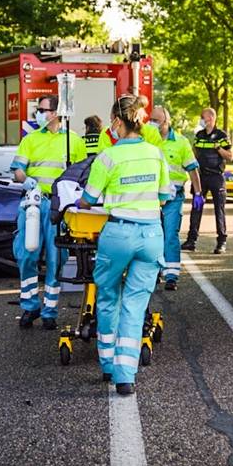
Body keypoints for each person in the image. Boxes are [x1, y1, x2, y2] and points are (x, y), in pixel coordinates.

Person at [78, 95, 174, 396]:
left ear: (117, 122)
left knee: (107, 296)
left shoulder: (108, 157)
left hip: (118, 234)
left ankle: (107, 364)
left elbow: (88, 199)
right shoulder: (156, 154)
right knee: (135, 305)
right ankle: (125, 376)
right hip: (150, 237)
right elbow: (163, 196)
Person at [11, 95, 86, 330]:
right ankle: (29, 306)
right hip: (34, 202)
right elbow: (18, 171)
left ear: (56, 113)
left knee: (57, 258)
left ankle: (50, 310)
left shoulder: (73, 141)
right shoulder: (30, 139)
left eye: (43, 110)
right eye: (39, 110)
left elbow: (81, 175)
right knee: (26, 254)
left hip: (59, 206)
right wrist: (26, 181)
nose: (39, 114)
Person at [148, 105, 203, 290]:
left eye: (156, 120)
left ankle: (171, 275)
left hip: (173, 197)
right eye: (151, 119)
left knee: (170, 235)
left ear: (166, 121)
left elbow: (192, 168)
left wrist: (198, 193)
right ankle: (155, 271)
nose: (152, 123)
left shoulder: (181, 142)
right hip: (151, 198)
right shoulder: (148, 141)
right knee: (153, 235)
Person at [184, 107, 232, 254]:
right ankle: (191, 240)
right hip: (201, 177)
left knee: (219, 209)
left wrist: (218, 149)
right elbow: (194, 153)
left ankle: (221, 242)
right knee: (196, 207)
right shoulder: (199, 135)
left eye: (203, 117)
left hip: (216, 177)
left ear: (210, 118)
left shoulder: (221, 135)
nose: (202, 120)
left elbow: (230, 156)